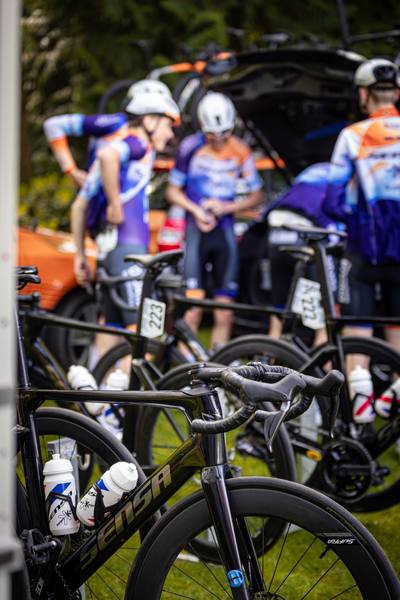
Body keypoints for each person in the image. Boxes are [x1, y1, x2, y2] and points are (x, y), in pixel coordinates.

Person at [44, 81, 180, 336]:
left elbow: (78, 206)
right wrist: (116, 205)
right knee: (147, 334)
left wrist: (81, 255)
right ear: (150, 120)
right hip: (129, 251)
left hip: (109, 254)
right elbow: (108, 155)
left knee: (111, 333)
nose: (171, 134)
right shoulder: (139, 144)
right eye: (168, 124)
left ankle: (101, 376)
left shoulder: (109, 164)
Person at [323, 57, 400, 422]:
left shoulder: (352, 135)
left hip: (362, 250)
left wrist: (356, 222)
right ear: (396, 92)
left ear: (363, 94)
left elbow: (332, 201)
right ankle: (394, 411)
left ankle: (362, 418)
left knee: (359, 330)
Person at [165, 91, 263, 350]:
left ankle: (218, 374)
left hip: (225, 233)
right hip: (196, 234)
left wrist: (228, 207)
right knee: (193, 311)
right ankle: (186, 372)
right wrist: (196, 210)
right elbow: (172, 191)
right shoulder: (190, 147)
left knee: (224, 313)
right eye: (212, 135)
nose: (218, 140)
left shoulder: (241, 150)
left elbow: (256, 196)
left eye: (224, 134)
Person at [264, 162, 342, 343]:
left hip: (276, 234)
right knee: (325, 318)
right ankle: (321, 369)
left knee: (279, 314)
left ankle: (267, 366)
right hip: (308, 238)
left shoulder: (313, 170)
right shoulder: (344, 174)